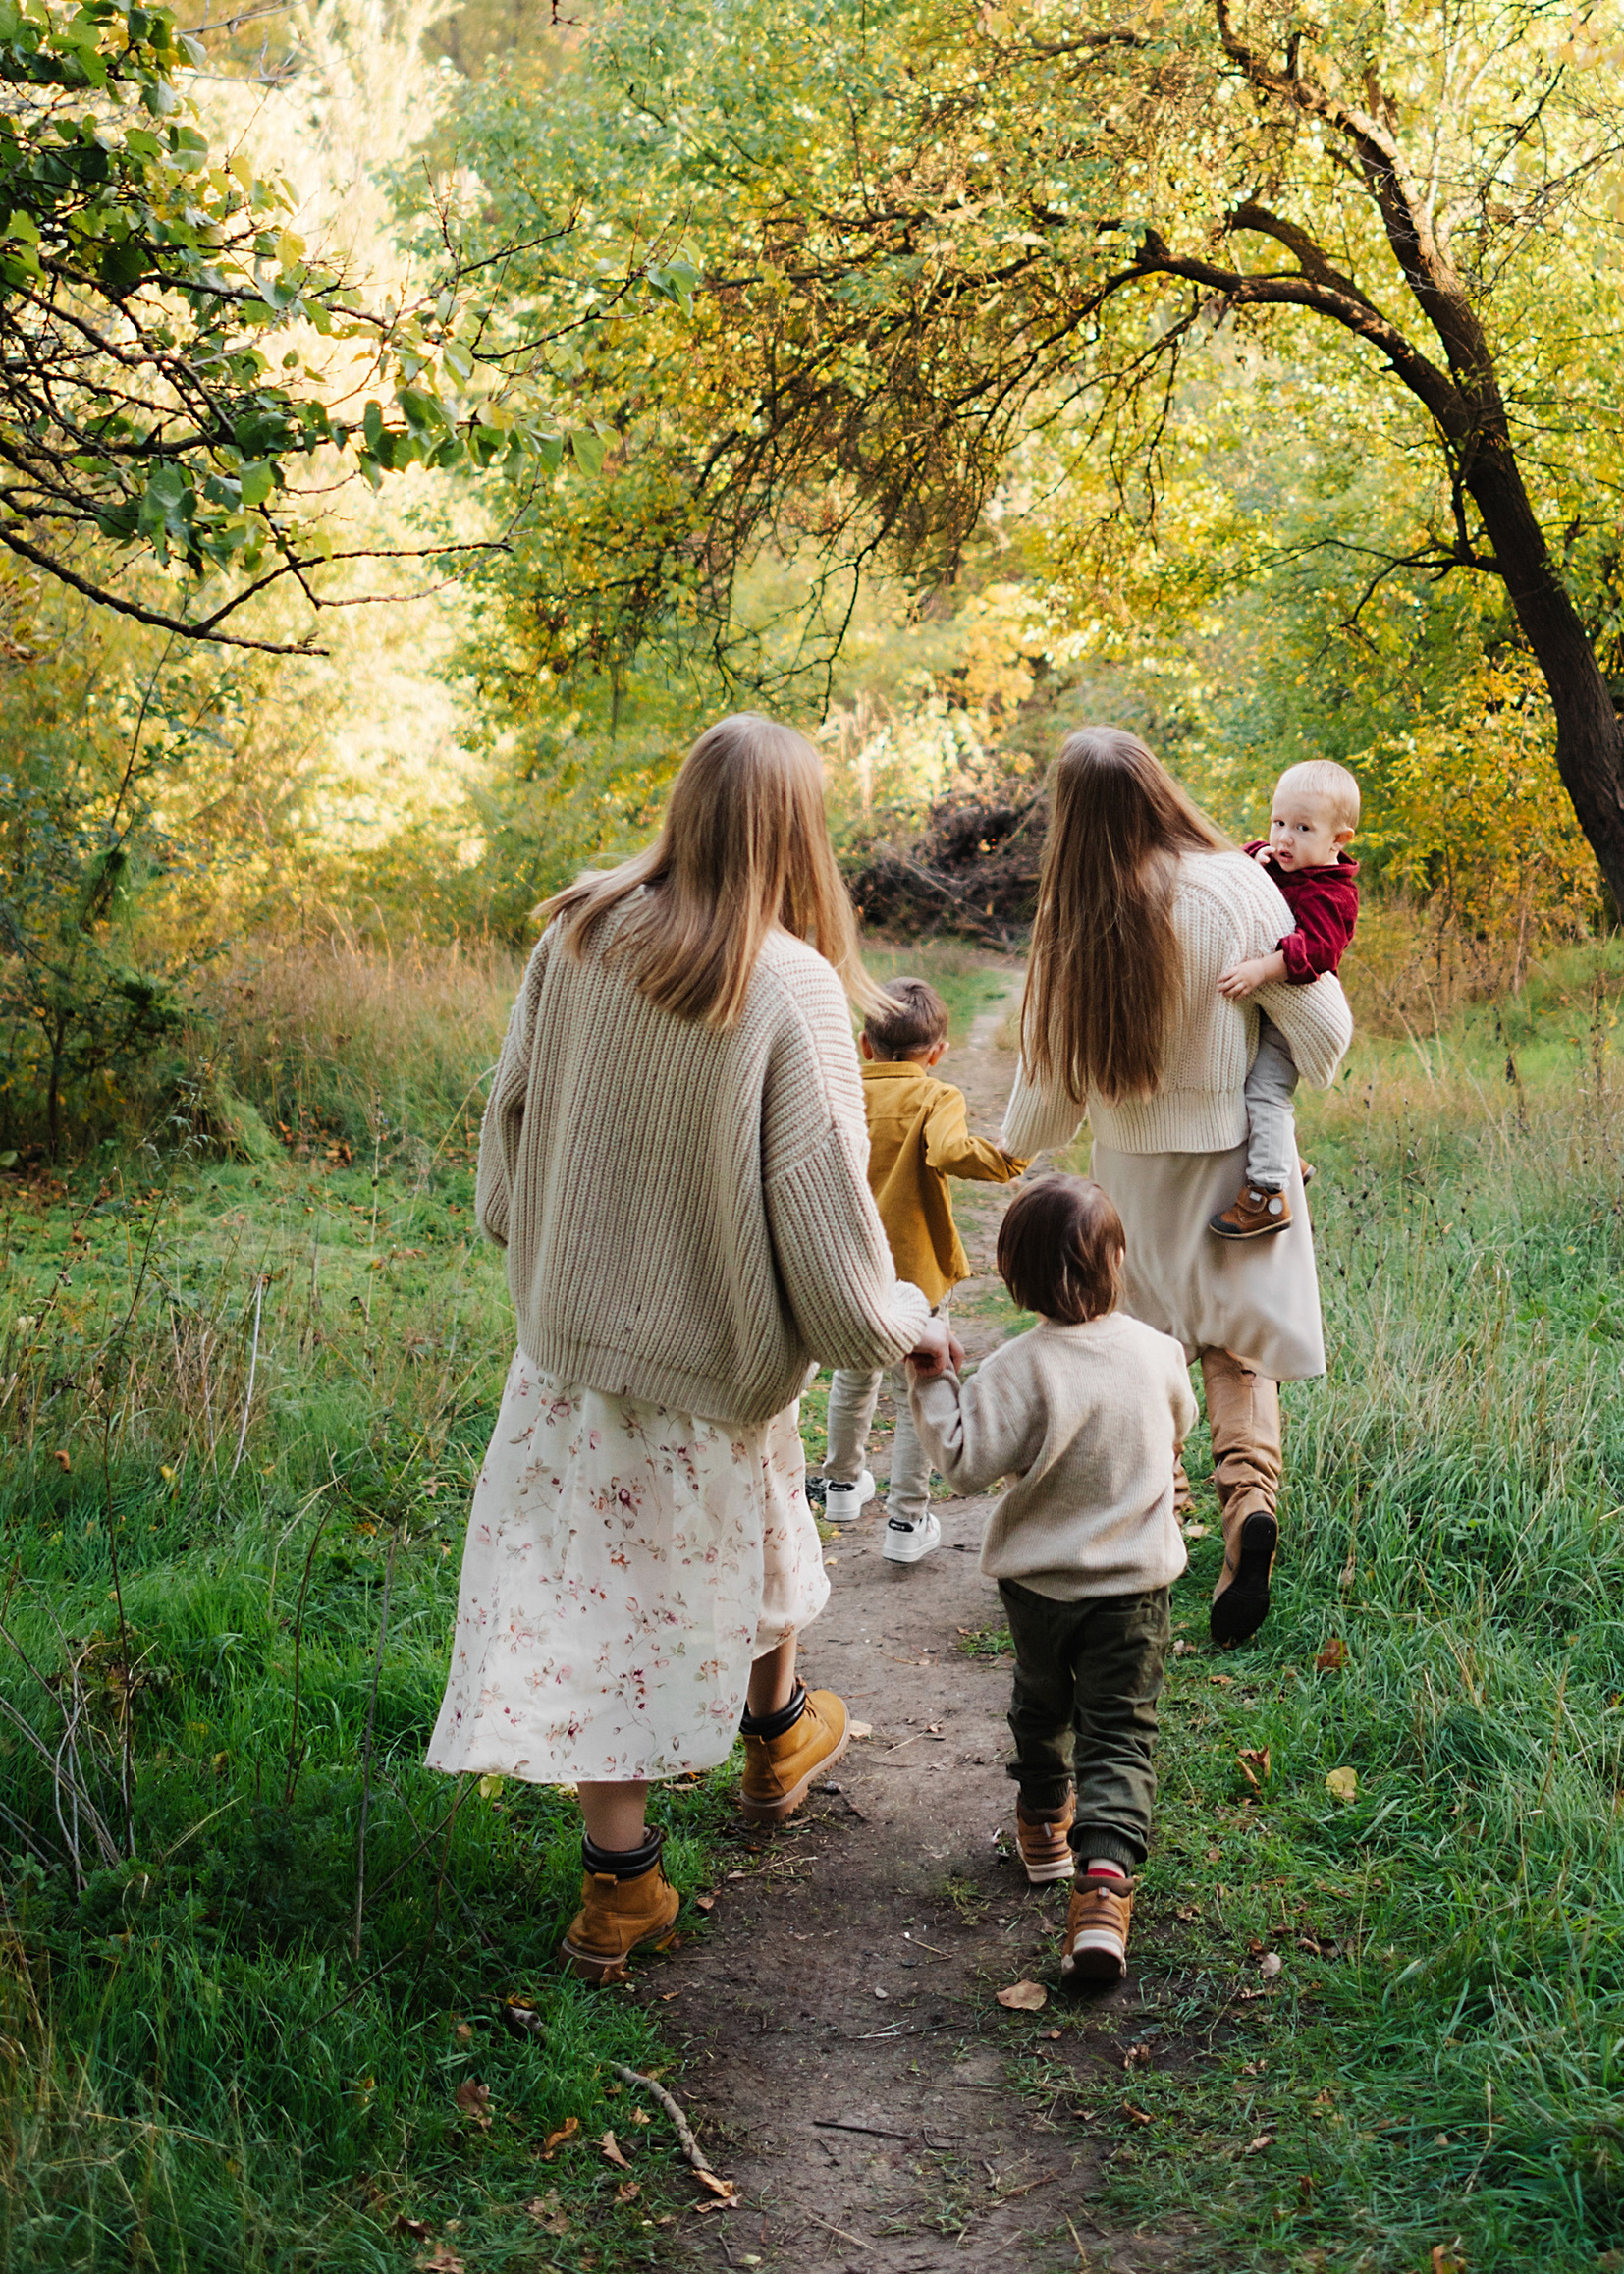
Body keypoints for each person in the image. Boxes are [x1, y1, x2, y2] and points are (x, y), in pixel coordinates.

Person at [426, 716, 952, 1984]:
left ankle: (720, 1786)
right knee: (701, 1542)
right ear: (796, 830)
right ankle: (666, 1847)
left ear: (686, 804)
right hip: (714, 1364)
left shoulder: (577, 931)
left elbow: (508, 1110)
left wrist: (533, 1237)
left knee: (618, 1581)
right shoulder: (791, 983)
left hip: (572, 1347)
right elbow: (827, 1220)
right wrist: (900, 1323)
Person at [994, 728, 1353, 1650]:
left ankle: (1162, 1527)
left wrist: (1007, 1150)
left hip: (1132, 1176)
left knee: (1142, 1352)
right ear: (1159, 787)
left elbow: (1049, 1085)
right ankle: (1249, 1511)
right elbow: (1325, 1032)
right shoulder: (1238, 883)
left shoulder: (1076, 914)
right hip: (1238, 1164)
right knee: (1239, 1355)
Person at [911, 1172, 1195, 1986]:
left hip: (1038, 1590)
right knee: (1119, 1732)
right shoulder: (1156, 1352)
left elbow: (964, 1462)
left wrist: (935, 1382)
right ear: (1118, 1263)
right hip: (1135, 1590)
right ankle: (1103, 1894)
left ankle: (1043, 1824)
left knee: (1042, 1705)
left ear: (1015, 1276)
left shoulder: (1016, 1367)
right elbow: (1181, 1422)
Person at [812, 972, 1025, 1566]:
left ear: (863, 1045)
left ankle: (842, 1485)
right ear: (937, 1053)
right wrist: (1011, 1159)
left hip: (854, 1267)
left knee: (854, 1376)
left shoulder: (844, 1090)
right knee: (921, 1384)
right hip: (918, 1271)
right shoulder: (936, 1096)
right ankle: (907, 1520)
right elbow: (954, 1153)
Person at [1211, 757, 1362, 1242]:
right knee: (1238, 1079)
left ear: (1338, 840)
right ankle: (1283, 1157)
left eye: (1301, 827)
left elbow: (1316, 950)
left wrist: (1260, 969)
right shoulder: (1284, 860)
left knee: (1266, 1092)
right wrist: (1253, 859)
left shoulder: (1331, 893)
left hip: (1298, 1020)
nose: (1283, 839)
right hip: (1273, 1012)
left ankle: (1268, 1194)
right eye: (1278, 822)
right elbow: (1251, 853)